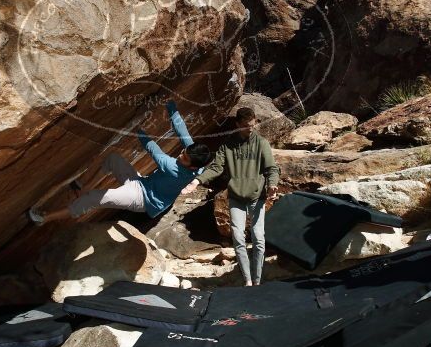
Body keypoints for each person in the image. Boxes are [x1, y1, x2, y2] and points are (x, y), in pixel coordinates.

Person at [28, 100, 211, 226]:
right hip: (143, 183)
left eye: (184, 158)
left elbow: (152, 149)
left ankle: (44, 218)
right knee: (113, 159)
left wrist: (138, 128)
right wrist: (171, 107)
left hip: (143, 199)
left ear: (193, 167)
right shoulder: (198, 161)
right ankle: (83, 187)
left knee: (94, 199)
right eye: (184, 152)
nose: (181, 154)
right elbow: (183, 132)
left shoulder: (173, 168)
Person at [181, 107, 279, 286]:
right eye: (245, 126)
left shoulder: (261, 143)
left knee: (258, 237)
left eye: (252, 124)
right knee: (238, 237)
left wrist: (272, 185)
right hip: (236, 197)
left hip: (257, 197)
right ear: (237, 125)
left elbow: (271, 169)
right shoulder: (227, 146)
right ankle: (247, 280)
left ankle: (258, 280)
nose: (250, 128)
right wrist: (197, 181)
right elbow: (216, 167)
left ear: (255, 121)